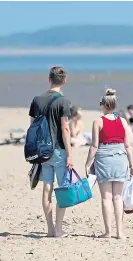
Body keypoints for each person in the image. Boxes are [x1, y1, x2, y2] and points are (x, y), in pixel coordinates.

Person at [85, 88, 133, 239]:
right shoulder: (123, 121)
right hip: (121, 159)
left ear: (103, 105)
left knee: (106, 198)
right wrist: (132, 165)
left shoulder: (98, 122)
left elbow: (94, 146)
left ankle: (108, 232)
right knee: (118, 198)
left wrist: (88, 164)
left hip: (104, 160)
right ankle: (120, 232)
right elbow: (127, 146)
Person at [28, 66, 72, 237]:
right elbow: (65, 129)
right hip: (59, 150)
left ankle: (50, 229)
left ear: (49, 79)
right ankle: (59, 229)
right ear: (64, 81)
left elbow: (32, 127)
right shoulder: (63, 101)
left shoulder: (37, 100)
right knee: (63, 189)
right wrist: (70, 153)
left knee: (47, 187)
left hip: (42, 151)